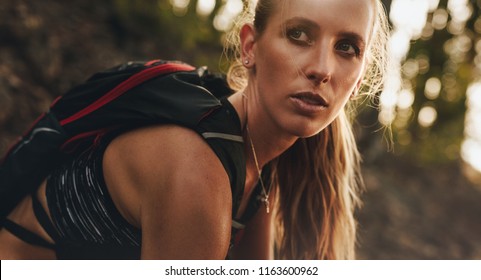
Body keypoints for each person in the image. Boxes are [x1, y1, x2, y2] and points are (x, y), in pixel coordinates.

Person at [0, 0, 390, 260]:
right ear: (250, 47)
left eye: (347, 48)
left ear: (357, 82)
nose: (322, 67)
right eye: (299, 35)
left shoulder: (255, 156)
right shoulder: (198, 171)